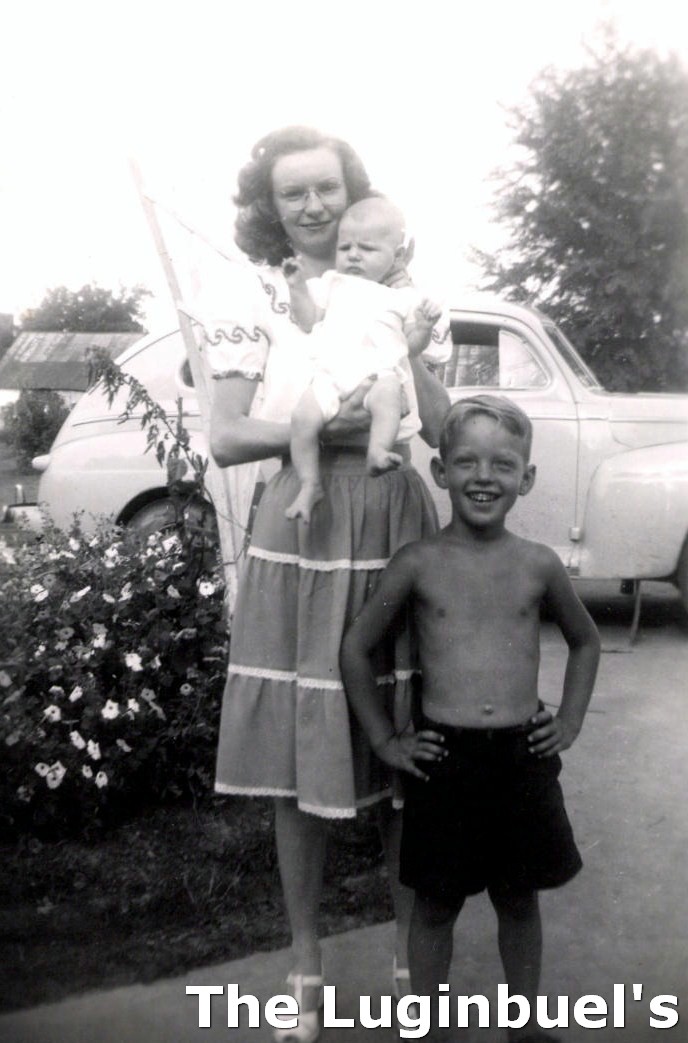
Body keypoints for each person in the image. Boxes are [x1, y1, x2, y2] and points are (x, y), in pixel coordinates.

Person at [201, 126, 451, 1043]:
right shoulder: (250, 300)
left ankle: (410, 966)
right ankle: (305, 972)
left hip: (390, 521)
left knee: (409, 739)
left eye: (328, 189)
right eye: (292, 192)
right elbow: (227, 436)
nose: (313, 206)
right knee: (293, 756)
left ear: (355, 195)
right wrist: (331, 428)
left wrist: (411, 348)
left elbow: (441, 425)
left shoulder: (406, 293)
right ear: (268, 208)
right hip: (302, 527)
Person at [340, 394, 601, 1042]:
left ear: (526, 478)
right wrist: (385, 738)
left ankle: (524, 1025)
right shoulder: (418, 563)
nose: (484, 476)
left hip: (521, 757)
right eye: (467, 461)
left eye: (503, 464)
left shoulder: (538, 563)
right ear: (440, 470)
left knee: (519, 898)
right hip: (445, 760)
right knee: (435, 905)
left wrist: (569, 721)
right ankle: (429, 1028)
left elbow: (586, 640)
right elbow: (355, 648)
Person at [282, 195, 442, 522]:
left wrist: (424, 328)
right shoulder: (332, 284)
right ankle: (310, 484)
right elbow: (308, 320)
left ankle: (378, 450)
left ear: (397, 257)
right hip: (331, 377)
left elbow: (411, 347)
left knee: (389, 395)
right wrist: (297, 287)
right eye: (345, 248)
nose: (353, 255)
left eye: (367, 249)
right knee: (302, 418)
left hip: (378, 374)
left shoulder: (403, 298)